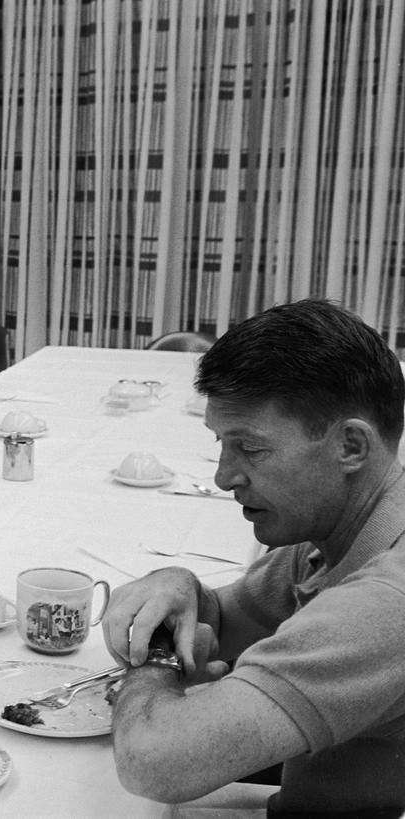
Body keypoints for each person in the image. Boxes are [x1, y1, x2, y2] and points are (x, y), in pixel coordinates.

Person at [102, 299, 405, 815]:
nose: (224, 477)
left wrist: (153, 664)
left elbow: (154, 762)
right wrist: (177, 584)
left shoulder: (385, 602)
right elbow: (223, 623)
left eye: (252, 449)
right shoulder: (334, 530)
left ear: (351, 446)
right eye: (222, 443)